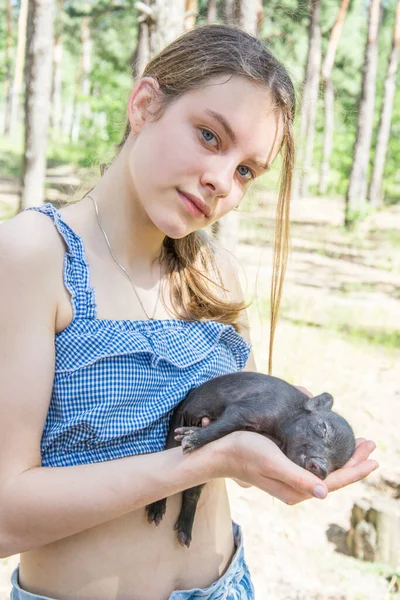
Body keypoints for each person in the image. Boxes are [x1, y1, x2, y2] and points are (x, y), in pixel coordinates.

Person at [0, 24, 377, 600]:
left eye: (247, 170)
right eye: (208, 135)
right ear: (145, 104)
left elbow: (239, 458)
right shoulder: (34, 255)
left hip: (228, 585)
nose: (221, 181)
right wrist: (204, 459)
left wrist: (288, 455)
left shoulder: (216, 276)